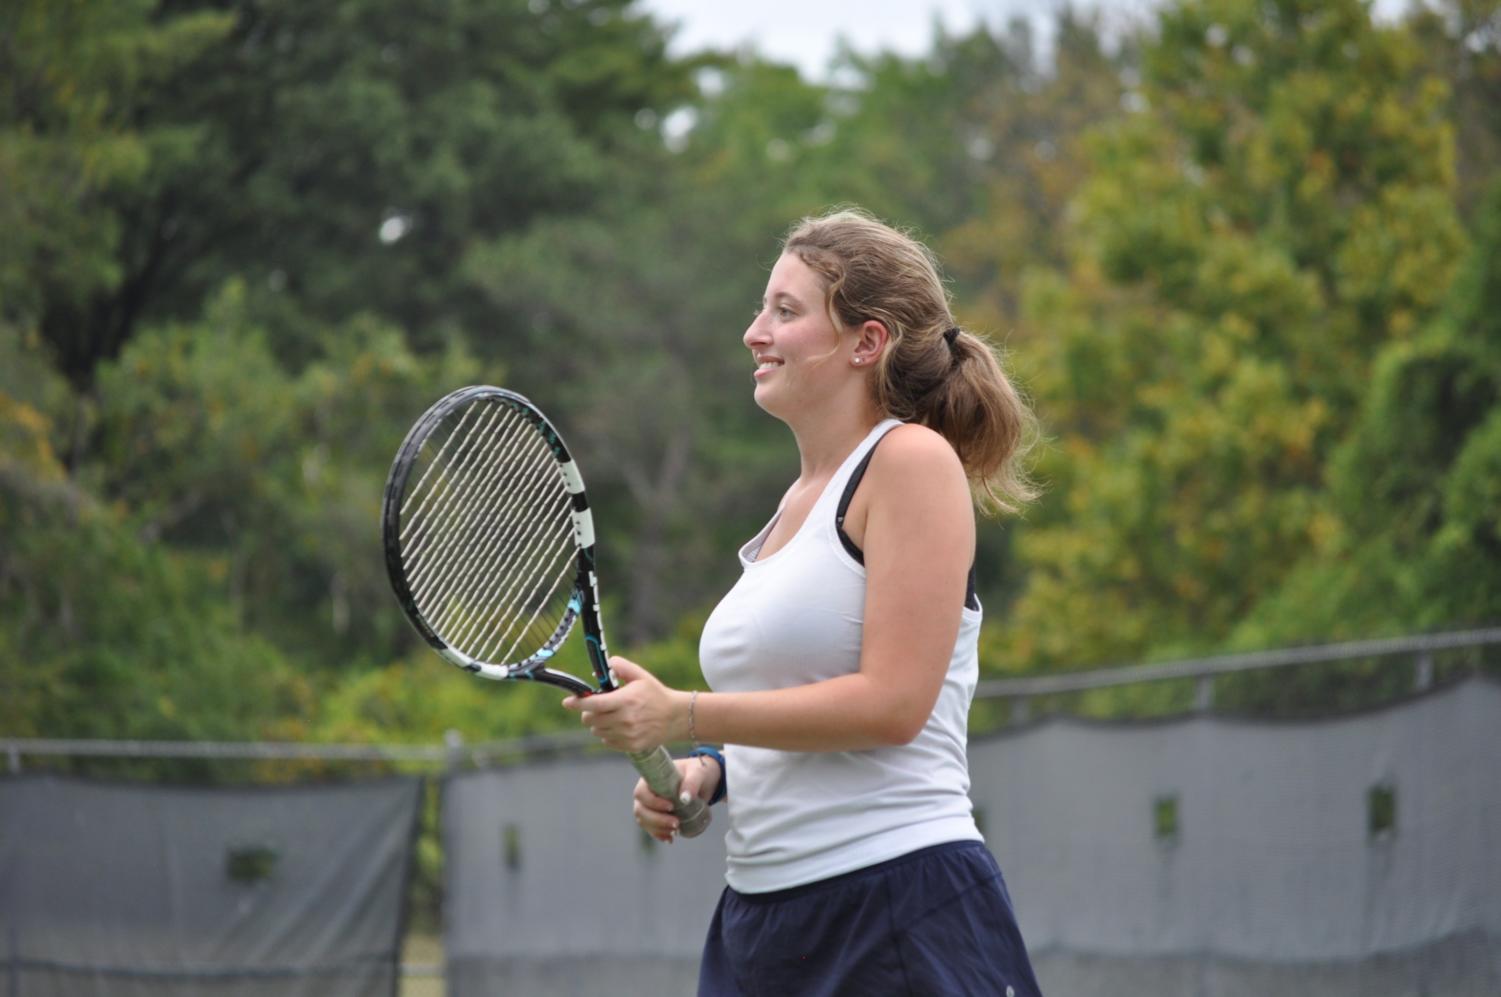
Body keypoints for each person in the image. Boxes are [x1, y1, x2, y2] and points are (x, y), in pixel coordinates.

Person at [563, 207, 1043, 996]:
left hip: (897, 905)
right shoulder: (792, 506)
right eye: (761, 308)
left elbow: (892, 704)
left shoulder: (910, 461)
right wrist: (706, 772)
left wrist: (683, 713)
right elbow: (783, 701)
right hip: (761, 924)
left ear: (866, 341)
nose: (754, 332)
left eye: (784, 311)